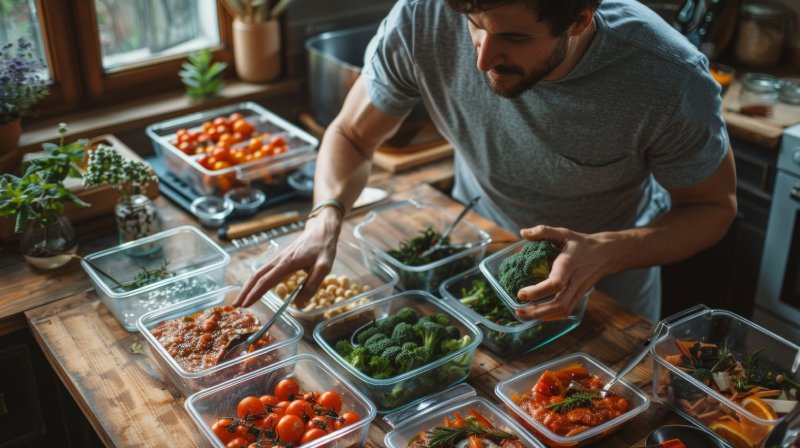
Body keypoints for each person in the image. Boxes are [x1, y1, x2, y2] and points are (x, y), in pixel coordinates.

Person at [235, 0, 737, 323]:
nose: (481, 58)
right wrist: (325, 217)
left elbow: (713, 208)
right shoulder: (424, 16)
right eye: (474, 27)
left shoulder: (667, 79)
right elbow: (350, 133)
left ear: (580, 18)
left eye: (514, 38)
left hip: (605, 285)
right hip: (471, 262)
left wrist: (607, 252)